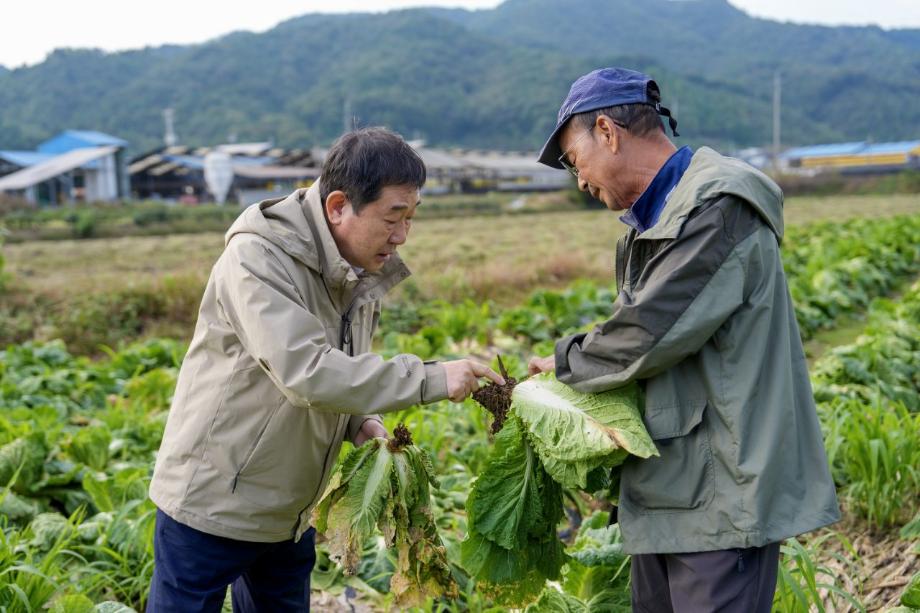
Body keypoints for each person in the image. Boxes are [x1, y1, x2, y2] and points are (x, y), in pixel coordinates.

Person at [146, 127, 503, 612]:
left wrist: (360, 421)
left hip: (291, 509)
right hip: (216, 501)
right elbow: (307, 372)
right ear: (337, 206)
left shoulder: (357, 268)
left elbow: (344, 366)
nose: (401, 236)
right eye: (392, 218)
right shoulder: (257, 257)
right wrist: (432, 377)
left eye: (410, 218)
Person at [528, 68, 839, 612]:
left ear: (607, 132)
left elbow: (649, 333)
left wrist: (564, 366)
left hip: (722, 493)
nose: (579, 181)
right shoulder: (655, 219)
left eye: (575, 161)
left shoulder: (716, 206)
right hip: (672, 488)